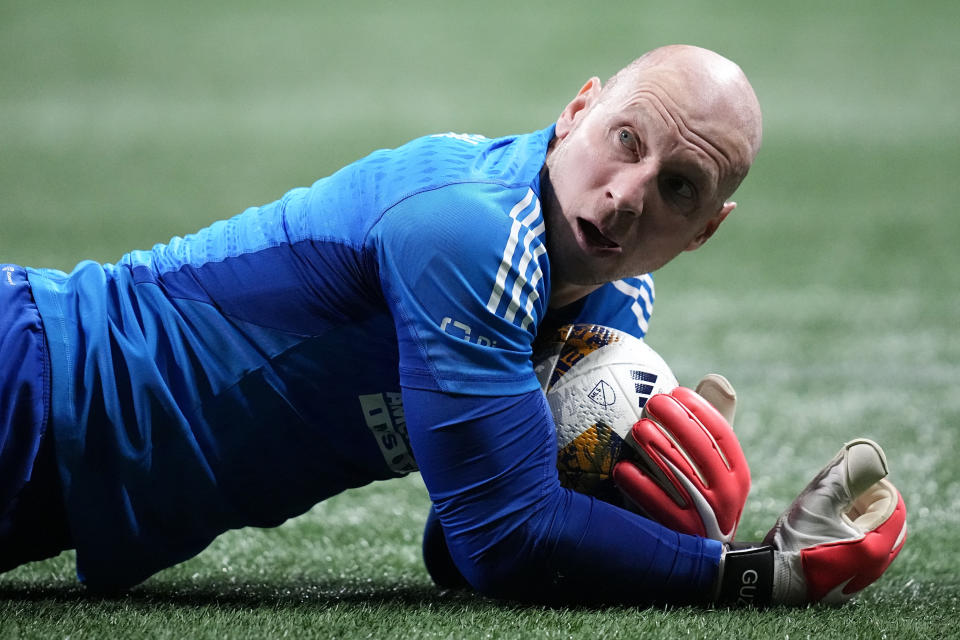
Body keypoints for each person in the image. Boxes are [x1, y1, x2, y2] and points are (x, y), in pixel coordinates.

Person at [0, 44, 904, 605]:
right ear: (578, 109)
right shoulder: (470, 230)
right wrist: (748, 572)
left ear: (703, 231)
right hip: (35, 384)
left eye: (678, 188)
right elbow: (504, 538)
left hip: (61, 472)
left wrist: (638, 501)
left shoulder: (615, 309)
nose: (629, 196)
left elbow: (454, 549)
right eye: (628, 138)